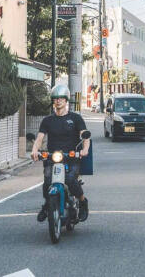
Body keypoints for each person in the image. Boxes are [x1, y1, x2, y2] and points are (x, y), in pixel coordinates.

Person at [31, 84, 90, 222]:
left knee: (70, 180)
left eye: (61, 98)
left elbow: (85, 136)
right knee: (47, 181)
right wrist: (35, 150)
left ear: (66, 100)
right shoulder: (47, 120)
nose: (58, 101)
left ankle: (82, 202)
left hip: (71, 158)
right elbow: (40, 138)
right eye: (55, 98)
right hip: (52, 157)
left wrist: (84, 149)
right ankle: (47, 205)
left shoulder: (75, 118)